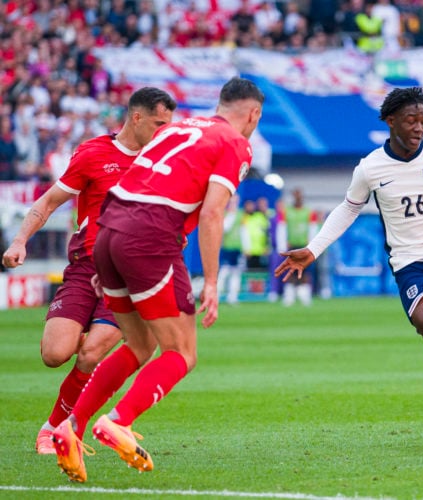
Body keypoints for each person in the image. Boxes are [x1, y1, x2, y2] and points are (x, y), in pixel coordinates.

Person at [50, 77, 264, 483]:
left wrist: (106, 256)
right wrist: (213, 282)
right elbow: (212, 214)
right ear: (253, 114)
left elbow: (132, 179)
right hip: (150, 236)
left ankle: (70, 427)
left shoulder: (180, 126)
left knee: (139, 343)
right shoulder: (236, 143)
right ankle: (117, 421)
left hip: (109, 231)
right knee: (182, 352)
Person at [275, 87, 423, 449]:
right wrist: (314, 250)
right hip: (411, 265)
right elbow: (348, 208)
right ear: (390, 121)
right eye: (411, 120)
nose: (418, 127)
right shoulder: (370, 168)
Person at [1, 87, 176, 455]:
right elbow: (49, 201)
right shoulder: (94, 153)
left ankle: (54, 429)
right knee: (54, 354)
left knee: (93, 353)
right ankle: (80, 350)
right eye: (159, 124)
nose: (164, 132)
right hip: (84, 269)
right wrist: (19, 241)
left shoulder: (162, 162)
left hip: (128, 278)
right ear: (137, 117)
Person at [278, 187, 318, 306]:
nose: (297, 198)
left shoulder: (309, 212)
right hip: (291, 246)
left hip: (304, 246)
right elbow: (282, 228)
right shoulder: (286, 211)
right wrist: (282, 245)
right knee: (290, 270)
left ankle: (305, 295)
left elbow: (313, 229)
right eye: (295, 195)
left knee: (305, 272)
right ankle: (289, 295)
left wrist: (312, 246)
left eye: (299, 195)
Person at [218, 193, 245, 305]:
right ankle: (217, 294)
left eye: (236, 201)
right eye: (232, 201)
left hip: (237, 247)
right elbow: (225, 228)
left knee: (236, 272)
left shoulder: (240, 214)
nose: (234, 203)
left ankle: (233, 296)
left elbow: (244, 231)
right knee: (224, 272)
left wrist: (245, 247)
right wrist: (231, 214)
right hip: (227, 247)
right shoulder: (224, 214)